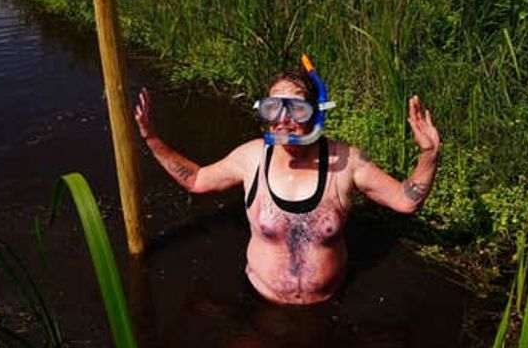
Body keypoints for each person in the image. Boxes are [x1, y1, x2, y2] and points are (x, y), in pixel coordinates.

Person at [133, 61, 440, 305]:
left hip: (329, 306)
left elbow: (405, 200)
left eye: (296, 109)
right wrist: (152, 138)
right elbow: (198, 180)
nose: (283, 119)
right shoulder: (251, 157)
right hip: (258, 304)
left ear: (315, 114)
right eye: (273, 108)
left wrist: (429, 153)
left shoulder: (346, 162)